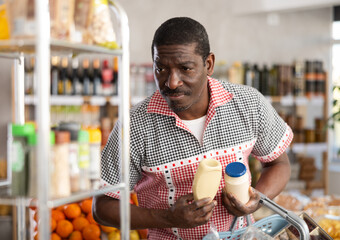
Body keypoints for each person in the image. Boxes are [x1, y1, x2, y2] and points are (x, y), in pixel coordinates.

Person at [92, 17, 292, 240]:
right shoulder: (134, 126)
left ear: (208, 64)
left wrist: (257, 198)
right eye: (161, 69)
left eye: (185, 68)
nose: (172, 82)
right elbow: (102, 206)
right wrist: (167, 218)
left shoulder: (248, 103)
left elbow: (278, 163)